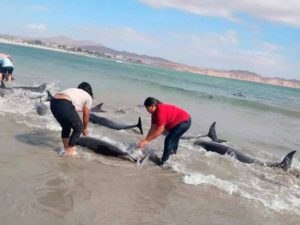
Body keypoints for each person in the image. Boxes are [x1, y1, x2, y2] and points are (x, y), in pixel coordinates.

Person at [138, 97, 191, 166]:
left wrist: (147, 141)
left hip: (184, 121)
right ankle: (173, 156)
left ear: (153, 106)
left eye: (148, 108)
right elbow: (152, 128)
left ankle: (163, 162)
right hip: (177, 123)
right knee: (173, 138)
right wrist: (145, 140)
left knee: (168, 140)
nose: (148, 111)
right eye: (146, 109)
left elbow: (159, 130)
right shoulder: (154, 113)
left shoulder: (160, 112)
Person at [50, 82, 93, 156]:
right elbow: (86, 114)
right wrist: (85, 128)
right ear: (90, 91)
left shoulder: (73, 90)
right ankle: (69, 150)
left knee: (66, 126)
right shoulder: (88, 96)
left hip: (53, 102)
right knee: (79, 127)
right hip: (64, 103)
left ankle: (66, 148)